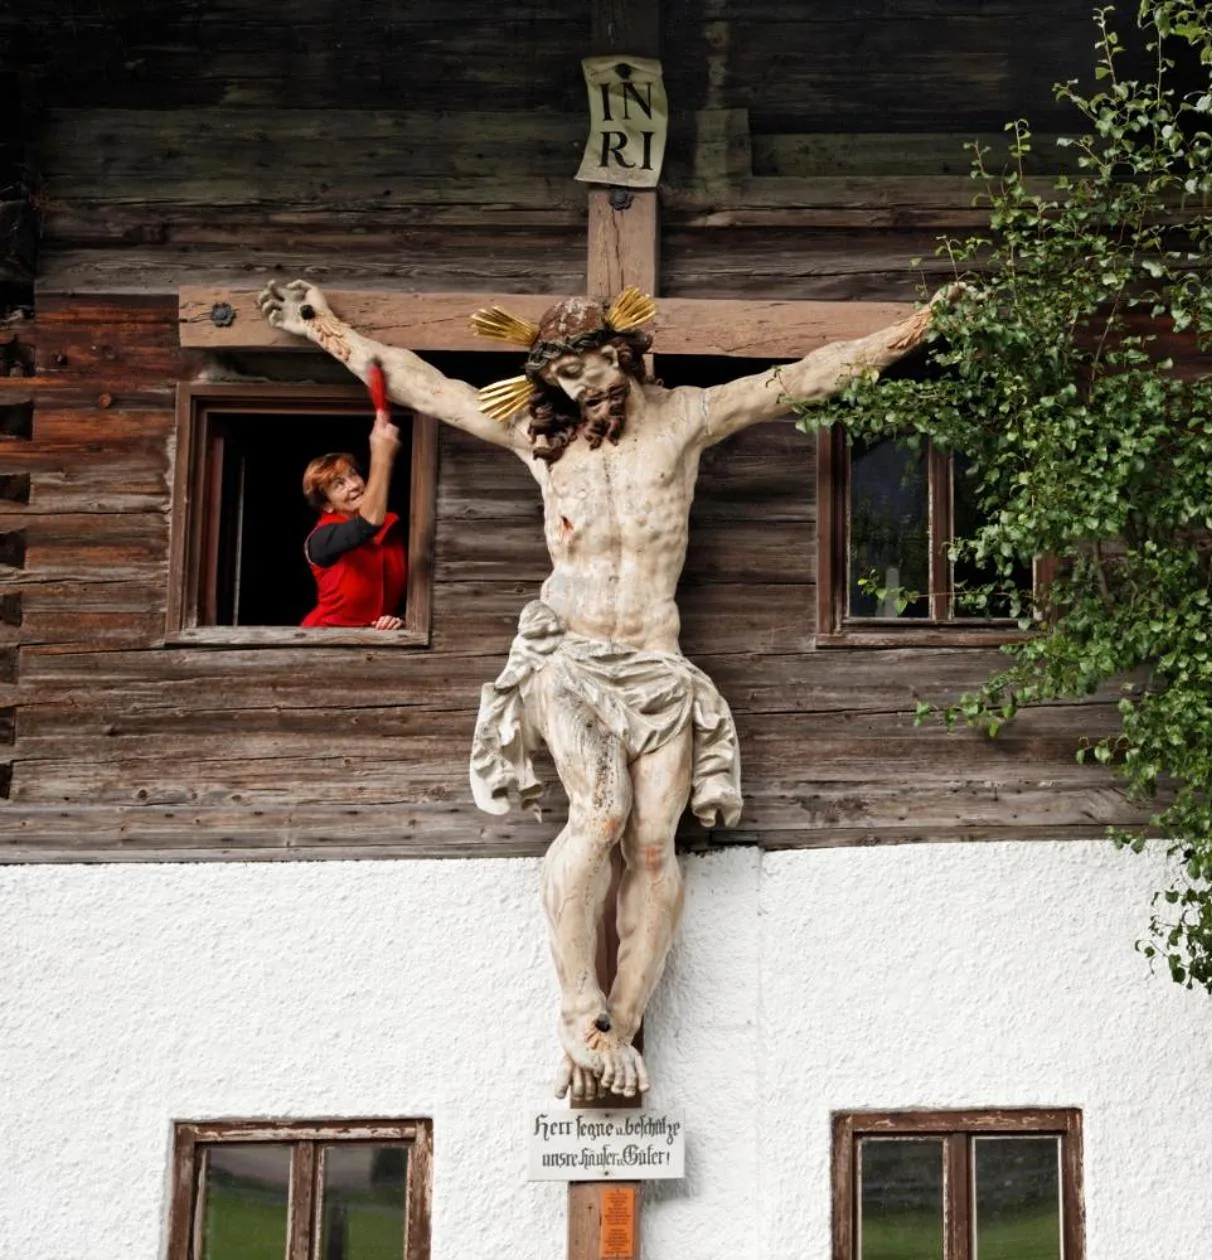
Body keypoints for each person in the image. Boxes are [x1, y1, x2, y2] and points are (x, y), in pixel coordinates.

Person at [257, 277, 946, 1101]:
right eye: (564, 379)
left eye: (590, 369)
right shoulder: (540, 438)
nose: (580, 390)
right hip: (573, 657)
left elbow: (797, 379)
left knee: (655, 846)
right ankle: (577, 1009)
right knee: (602, 814)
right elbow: (422, 385)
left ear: (624, 352)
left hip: (658, 666)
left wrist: (915, 329)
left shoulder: (686, 419)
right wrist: (323, 328)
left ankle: (615, 1028)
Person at [299, 411, 407, 630]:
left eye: (353, 475)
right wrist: (382, 456)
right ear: (326, 505)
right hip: (323, 643)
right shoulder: (321, 540)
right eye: (339, 484)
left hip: (375, 647)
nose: (354, 485)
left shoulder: (392, 531)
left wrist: (397, 619)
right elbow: (366, 526)